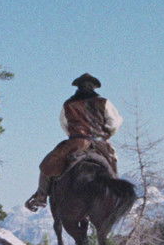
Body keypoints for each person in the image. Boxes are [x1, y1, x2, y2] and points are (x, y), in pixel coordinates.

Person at [25, 73, 123, 212]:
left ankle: (41, 197)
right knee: (112, 162)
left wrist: (73, 135)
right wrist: (105, 134)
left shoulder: (69, 104)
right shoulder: (104, 102)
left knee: (47, 165)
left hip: (76, 143)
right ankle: (116, 198)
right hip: (100, 142)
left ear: (78, 87)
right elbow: (115, 122)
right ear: (94, 87)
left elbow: (64, 123)